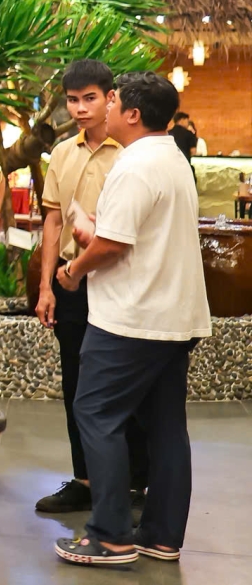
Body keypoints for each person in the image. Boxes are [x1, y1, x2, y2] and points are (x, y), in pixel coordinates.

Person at [54, 72, 210, 568]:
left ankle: (110, 536)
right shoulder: (171, 157)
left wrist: (74, 270)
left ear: (133, 114)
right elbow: (134, 233)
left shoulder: (135, 164)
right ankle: (161, 535)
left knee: (96, 413)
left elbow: (115, 245)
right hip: (172, 315)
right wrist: (94, 233)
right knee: (166, 427)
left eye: (112, 100)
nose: (105, 107)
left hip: (131, 318)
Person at [35, 59, 148, 515]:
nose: (80, 109)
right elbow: (53, 221)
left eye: (89, 99)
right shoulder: (62, 153)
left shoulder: (132, 153)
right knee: (75, 382)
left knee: (125, 382)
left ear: (110, 98)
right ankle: (84, 480)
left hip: (120, 279)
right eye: (72, 100)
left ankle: (135, 483)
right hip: (70, 280)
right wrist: (46, 286)